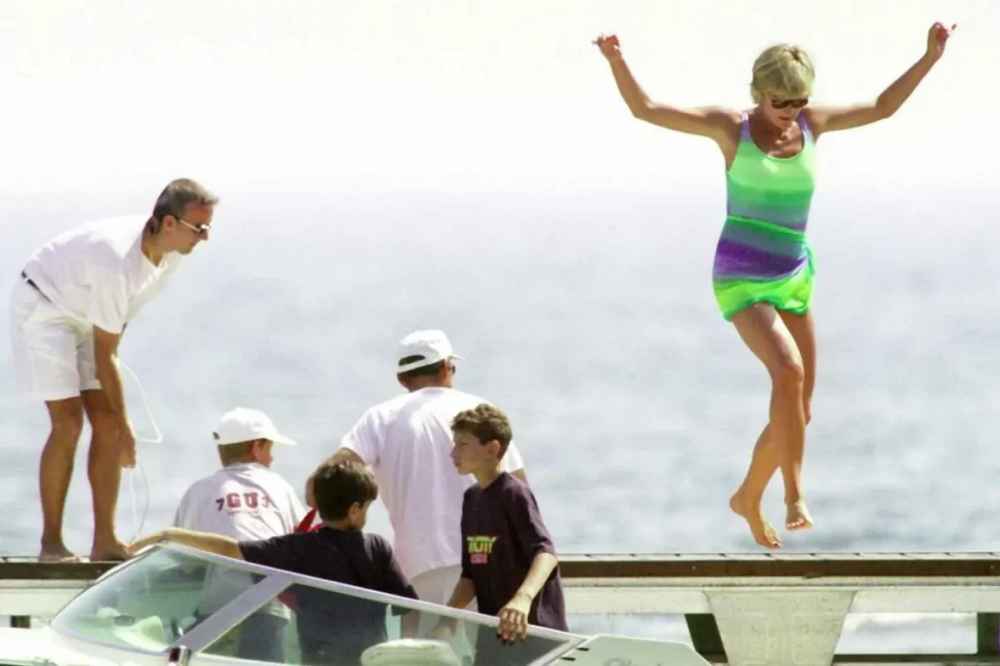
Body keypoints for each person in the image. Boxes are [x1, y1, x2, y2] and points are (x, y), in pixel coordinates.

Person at [594, 23, 956, 548]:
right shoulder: (731, 128)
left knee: (799, 408)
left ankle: (747, 496)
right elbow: (646, 109)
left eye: (798, 99)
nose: (789, 109)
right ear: (758, 92)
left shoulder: (812, 124)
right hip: (742, 274)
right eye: (779, 100)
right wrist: (616, 61)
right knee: (788, 371)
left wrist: (930, 57)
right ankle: (794, 496)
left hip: (793, 271)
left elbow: (883, 107)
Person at [10, 178, 218, 561]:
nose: (205, 237)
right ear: (168, 223)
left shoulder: (171, 256)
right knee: (68, 422)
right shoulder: (116, 260)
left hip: (87, 312)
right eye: (199, 228)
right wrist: (127, 428)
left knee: (105, 422)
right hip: (44, 306)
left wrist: (118, 421)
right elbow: (105, 354)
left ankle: (104, 541)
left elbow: (114, 333)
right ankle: (51, 544)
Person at [314, 329, 527, 608]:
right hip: (487, 558)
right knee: (487, 638)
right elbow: (520, 493)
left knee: (423, 639)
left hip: (418, 565)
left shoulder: (380, 418)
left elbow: (326, 479)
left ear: (402, 379)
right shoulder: (481, 411)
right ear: (446, 367)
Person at [131, 460, 418, 665]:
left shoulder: (298, 548)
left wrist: (170, 534)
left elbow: (230, 548)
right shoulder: (378, 547)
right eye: (367, 506)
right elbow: (409, 605)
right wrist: (405, 653)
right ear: (355, 510)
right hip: (369, 661)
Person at [173, 407, 307, 661]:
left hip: (217, 610)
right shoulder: (280, 487)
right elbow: (305, 545)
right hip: (269, 605)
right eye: (270, 449)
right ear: (256, 447)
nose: (272, 458)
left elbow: (185, 561)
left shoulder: (199, 491)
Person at [440, 404, 566, 665]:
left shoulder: (514, 493)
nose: (453, 453)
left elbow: (545, 554)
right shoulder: (471, 498)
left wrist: (522, 599)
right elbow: (470, 575)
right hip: (494, 636)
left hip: (533, 636)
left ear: (492, 449)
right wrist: (448, 617)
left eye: (463, 444)